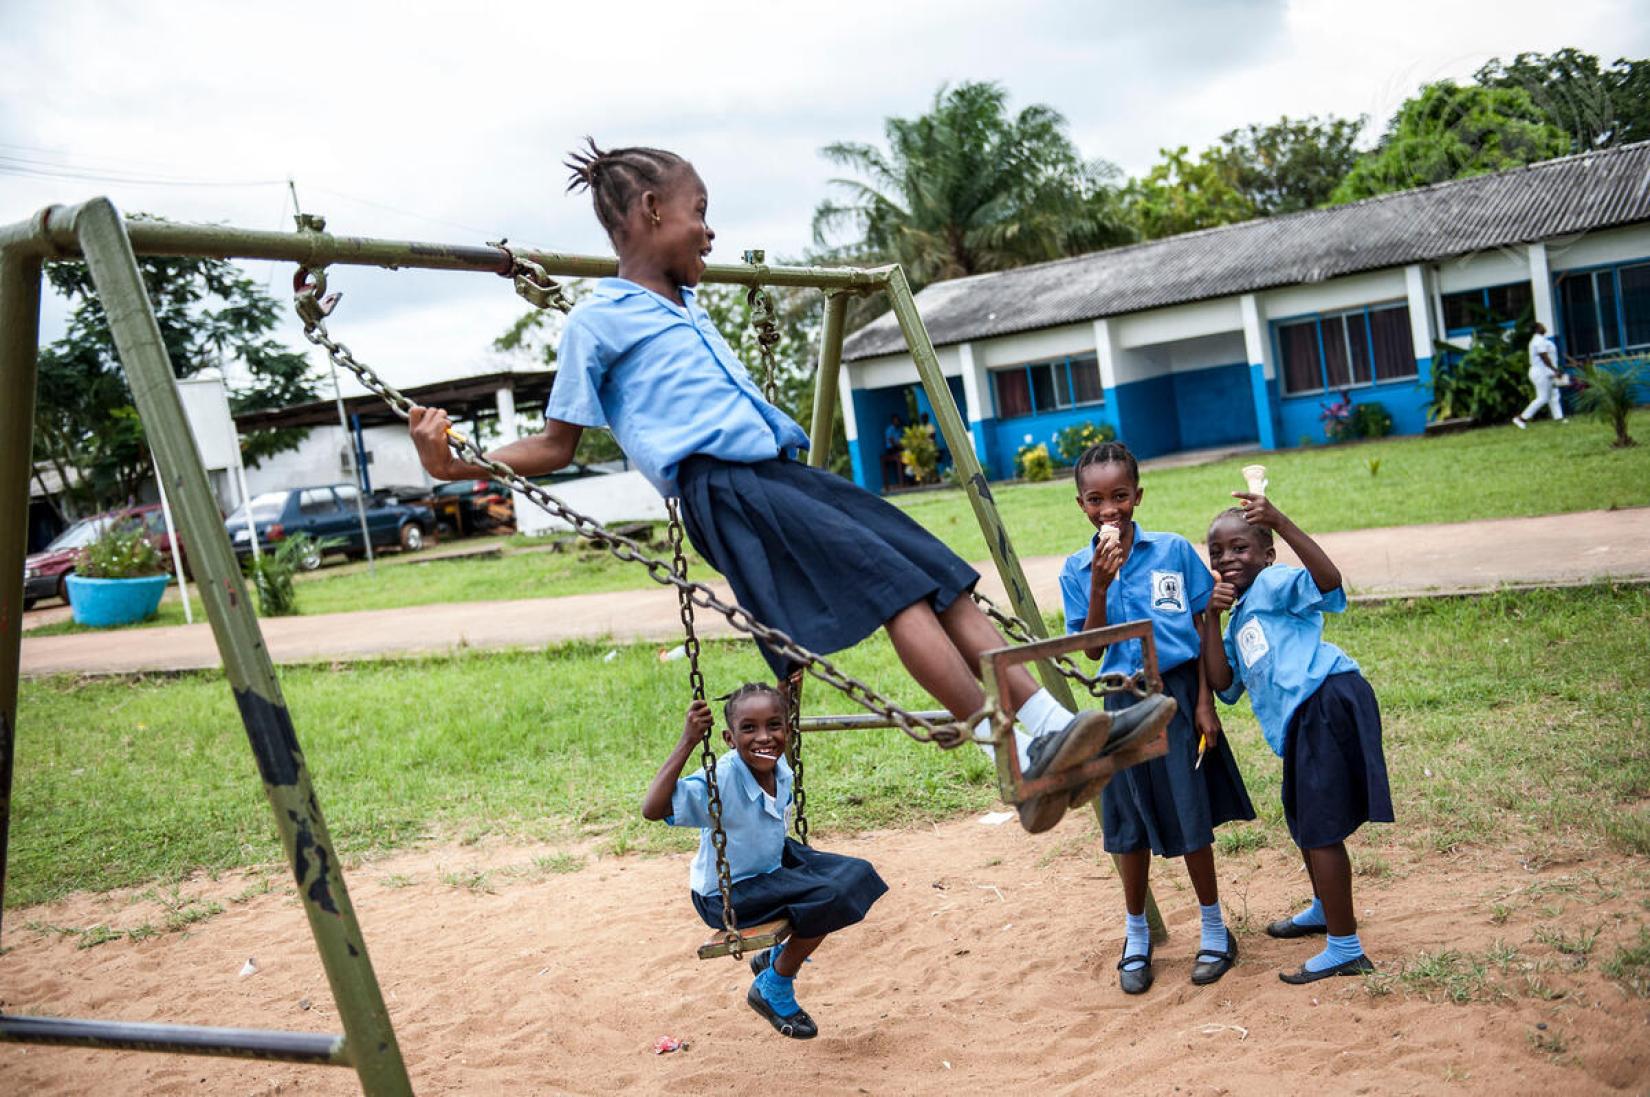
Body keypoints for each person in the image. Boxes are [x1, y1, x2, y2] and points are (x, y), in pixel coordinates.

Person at [408, 141, 1172, 833]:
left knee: (943, 576)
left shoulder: (684, 305)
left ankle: (1043, 723)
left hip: (782, 474)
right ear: (650, 212)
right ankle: (1006, 746)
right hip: (729, 489)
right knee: (893, 589)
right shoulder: (596, 323)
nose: (709, 231)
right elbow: (553, 442)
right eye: (698, 212)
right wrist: (458, 462)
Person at [1058, 443, 1254, 994]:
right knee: (1127, 826)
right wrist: (1099, 585)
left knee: (1191, 817)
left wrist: (1204, 706)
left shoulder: (1171, 552)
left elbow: (1201, 627)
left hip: (1178, 696)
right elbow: (1093, 650)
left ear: (1137, 496)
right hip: (1120, 703)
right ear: (1082, 506)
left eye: (1120, 496)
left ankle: (1215, 927)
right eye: (1096, 500)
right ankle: (1137, 932)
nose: (1110, 510)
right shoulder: (1077, 569)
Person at [1199, 495, 1394, 984]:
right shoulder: (1238, 614)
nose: (1227, 559)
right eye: (1217, 553)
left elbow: (1328, 583)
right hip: (1301, 720)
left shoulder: (1275, 582)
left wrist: (1282, 521)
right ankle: (1326, 909)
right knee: (1304, 819)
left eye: (1240, 548)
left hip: (1326, 699)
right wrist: (1210, 618)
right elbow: (1223, 683)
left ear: (1267, 553)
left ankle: (1346, 948)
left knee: (1321, 828)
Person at [642, 685, 886, 1038]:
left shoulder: (777, 764)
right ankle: (773, 985)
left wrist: (788, 676)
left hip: (772, 863)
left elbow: (785, 695)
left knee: (858, 874)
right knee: (829, 896)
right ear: (729, 737)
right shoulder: (721, 779)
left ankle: (771, 961)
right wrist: (688, 741)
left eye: (774, 726)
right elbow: (653, 809)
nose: (764, 738)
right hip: (727, 894)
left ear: (787, 728)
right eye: (749, 729)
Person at [1513, 322, 1566, 428]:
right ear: (1537, 328)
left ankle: (1559, 418)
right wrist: (1555, 370)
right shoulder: (1538, 341)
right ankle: (1521, 419)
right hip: (1541, 372)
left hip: (1546, 371)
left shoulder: (1541, 340)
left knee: (1554, 395)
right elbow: (1544, 357)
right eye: (1542, 325)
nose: (1544, 327)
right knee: (1542, 398)